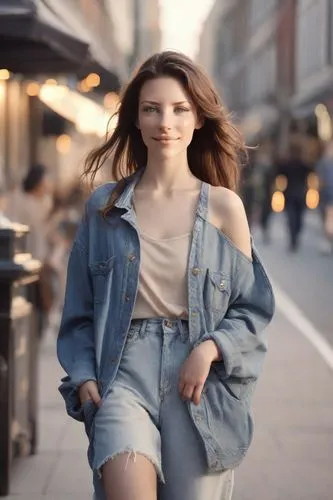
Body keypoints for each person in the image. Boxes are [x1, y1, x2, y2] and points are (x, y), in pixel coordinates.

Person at [57, 51, 275, 500]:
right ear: (136, 119)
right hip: (121, 374)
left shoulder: (224, 208)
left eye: (180, 109)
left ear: (198, 118)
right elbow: (78, 311)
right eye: (151, 108)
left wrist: (213, 347)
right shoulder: (104, 209)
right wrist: (84, 378)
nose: (165, 122)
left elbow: (253, 308)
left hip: (196, 383)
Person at [277, 144, 312, 252]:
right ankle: (294, 237)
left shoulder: (287, 164)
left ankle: (293, 238)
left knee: (292, 217)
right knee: (298, 218)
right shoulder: (303, 164)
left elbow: (279, 173)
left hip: (290, 194)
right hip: (301, 194)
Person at [316, 141, 333, 255]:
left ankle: (328, 240)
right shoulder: (323, 163)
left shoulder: (323, 162)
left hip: (327, 193)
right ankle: (328, 240)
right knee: (328, 217)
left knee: (328, 218)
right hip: (327, 193)